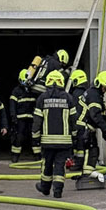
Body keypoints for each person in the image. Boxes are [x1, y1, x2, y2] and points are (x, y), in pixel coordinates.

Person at [32, 70, 77, 199]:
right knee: (59, 165)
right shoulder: (68, 98)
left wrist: (35, 138)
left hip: (47, 141)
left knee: (47, 164)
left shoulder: (42, 98)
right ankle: (58, 191)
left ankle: (45, 188)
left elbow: (37, 121)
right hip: (64, 141)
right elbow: (74, 120)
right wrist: (74, 136)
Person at [76, 71, 106, 174]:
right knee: (92, 151)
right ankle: (87, 176)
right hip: (84, 128)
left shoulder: (94, 93)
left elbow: (100, 115)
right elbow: (96, 116)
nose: (105, 90)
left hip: (83, 127)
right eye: (104, 87)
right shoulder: (94, 96)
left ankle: (86, 175)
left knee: (90, 151)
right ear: (99, 84)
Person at [9, 69, 40, 163]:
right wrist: (13, 116)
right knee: (19, 137)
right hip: (20, 118)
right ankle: (15, 155)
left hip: (32, 118)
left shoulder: (33, 90)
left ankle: (37, 155)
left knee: (34, 136)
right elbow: (12, 105)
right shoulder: (16, 91)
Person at [68, 69, 89, 172]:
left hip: (78, 123)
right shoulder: (86, 92)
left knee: (78, 146)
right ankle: (78, 163)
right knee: (80, 146)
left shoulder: (75, 93)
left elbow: (73, 109)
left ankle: (78, 164)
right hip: (85, 123)